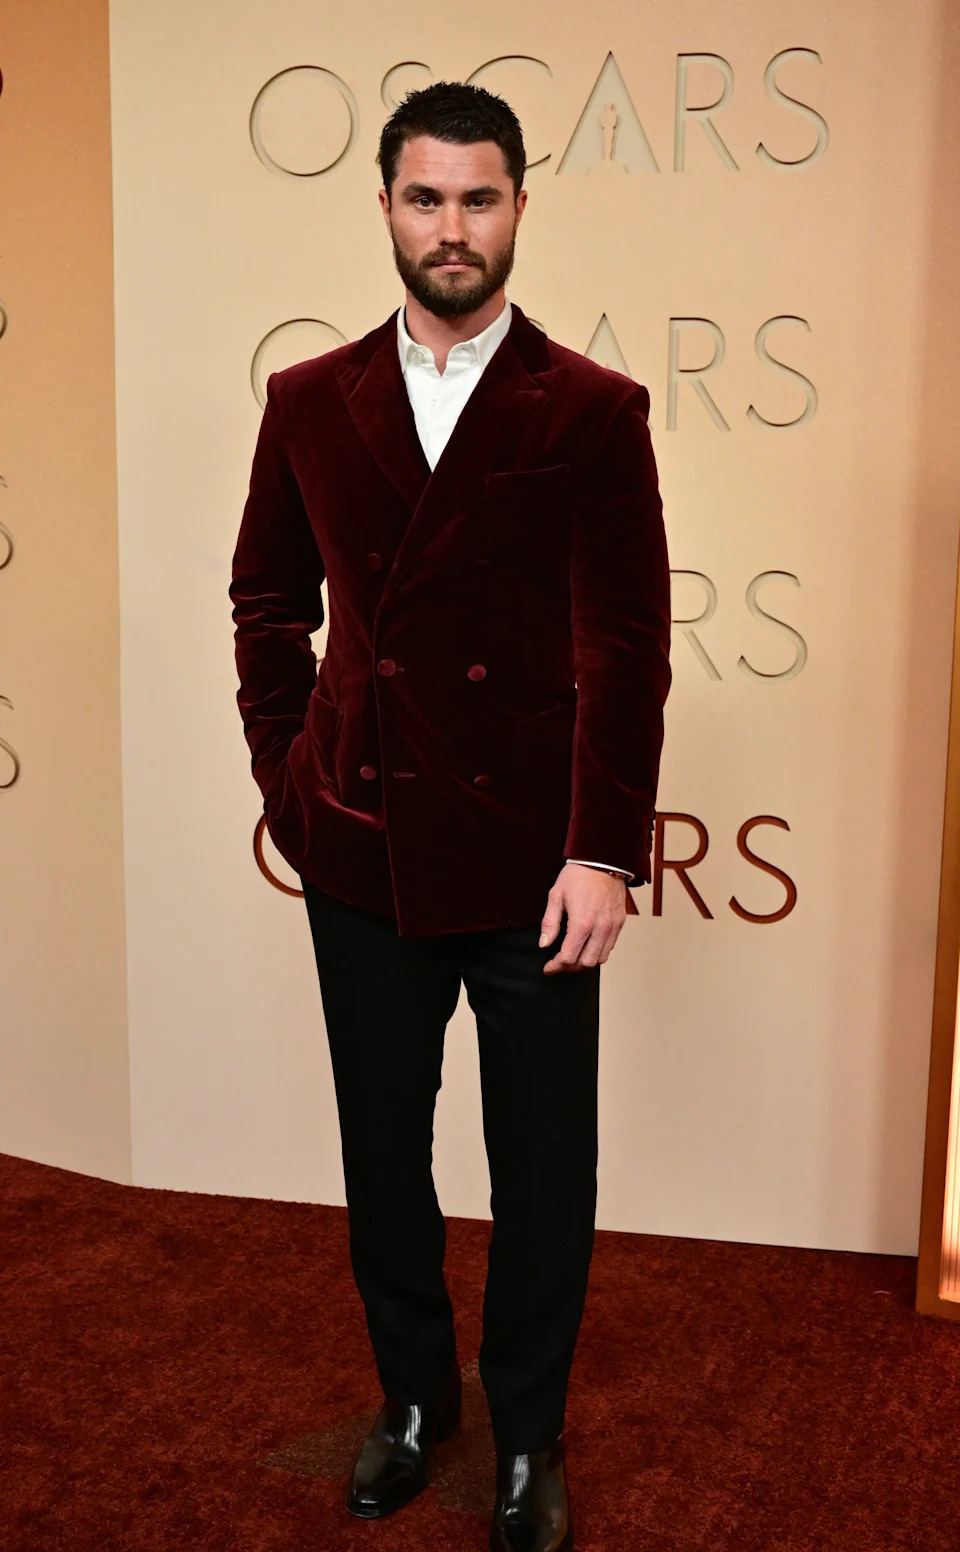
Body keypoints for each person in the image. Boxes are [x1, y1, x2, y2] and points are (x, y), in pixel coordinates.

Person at [229, 79, 671, 1552]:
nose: (453, 227)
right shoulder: (306, 401)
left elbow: (627, 642)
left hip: (541, 859)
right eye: (427, 198)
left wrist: (606, 846)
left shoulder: (596, 412)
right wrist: (292, 778)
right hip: (363, 840)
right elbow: (266, 605)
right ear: (386, 211)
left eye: (480, 198)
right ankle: (415, 1403)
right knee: (383, 1148)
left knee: (547, 1165)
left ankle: (529, 1438)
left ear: (521, 209)